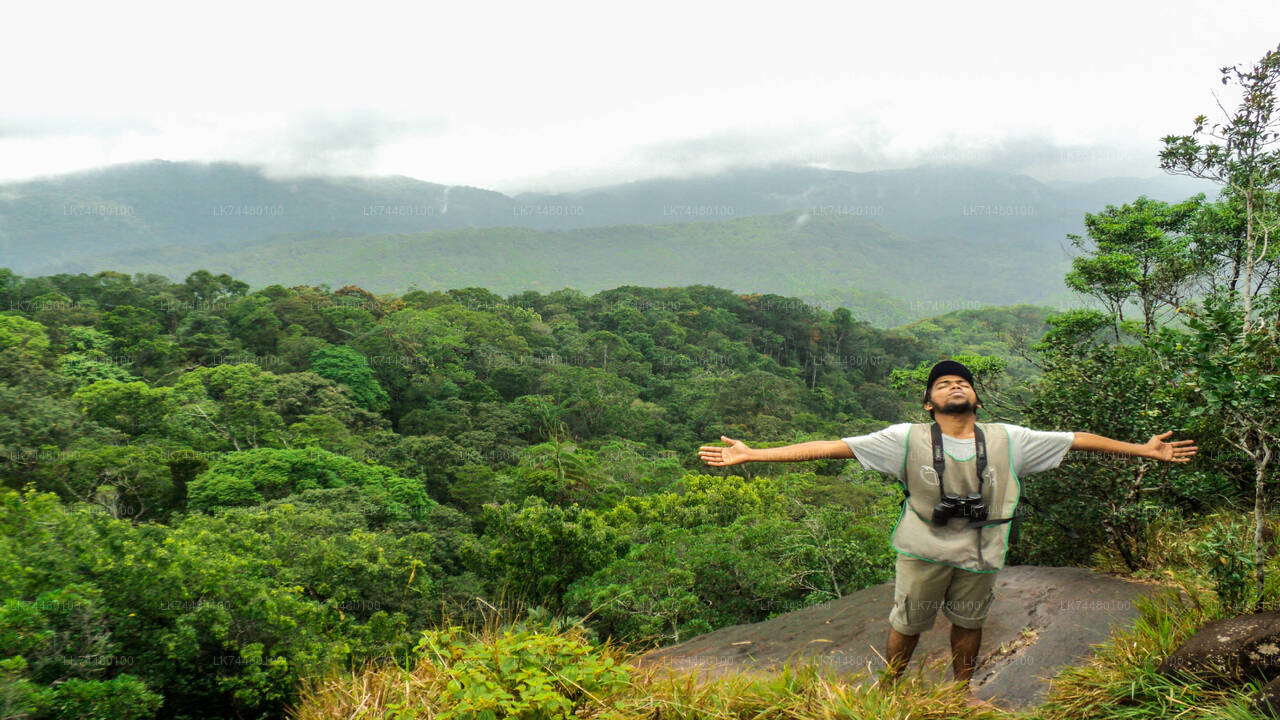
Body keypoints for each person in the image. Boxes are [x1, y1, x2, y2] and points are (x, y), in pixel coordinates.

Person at [697, 359, 1197, 708]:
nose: (955, 386)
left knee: (970, 619)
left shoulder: (1010, 439)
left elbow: (1077, 440)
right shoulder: (903, 438)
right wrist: (753, 453)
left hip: (982, 547)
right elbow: (831, 446)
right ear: (929, 402)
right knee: (910, 620)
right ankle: (890, 689)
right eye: (943, 385)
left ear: (976, 396)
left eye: (962, 382)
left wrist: (1143, 449)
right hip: (924, 546)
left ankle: (961, 692)